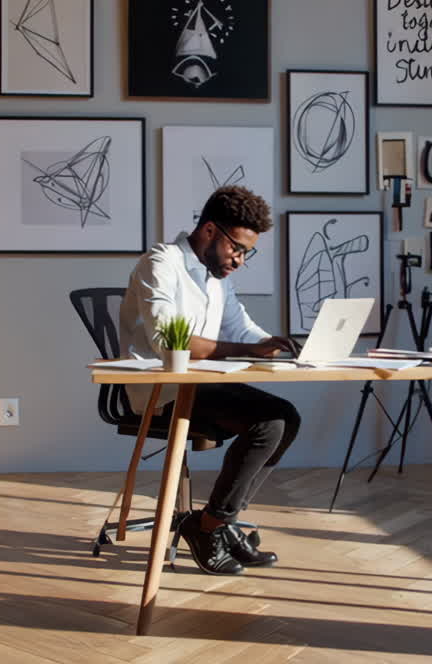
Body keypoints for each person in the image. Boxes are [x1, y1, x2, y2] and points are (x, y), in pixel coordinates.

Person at [119, 185, 300, 576]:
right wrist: (248, 351)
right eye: (238, 247)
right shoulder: (161, 262)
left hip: (200, 385)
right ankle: (210, 527)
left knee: (286, 417)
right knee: (268, 422)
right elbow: (169, 338)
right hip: (160, 391)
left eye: (248, 252)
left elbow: (241, 328)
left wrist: (273, 343)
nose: (240, 259)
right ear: (210, 231)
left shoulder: (217, 276)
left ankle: (218, 522)